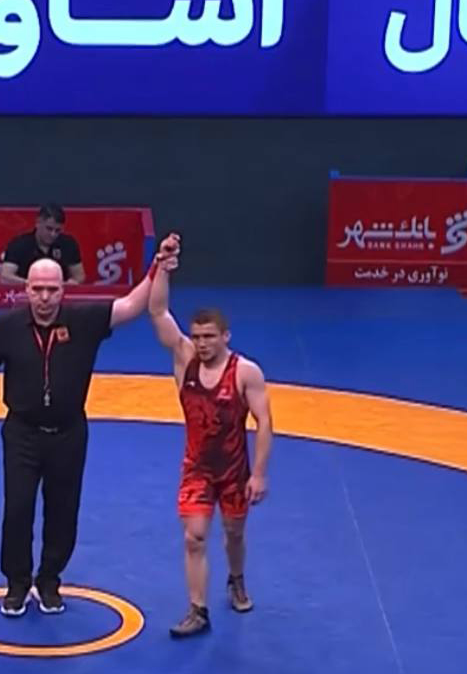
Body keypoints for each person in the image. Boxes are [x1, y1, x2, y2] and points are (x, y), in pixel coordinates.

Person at [0, 233, 180, 616]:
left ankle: (49, 580)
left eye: (52, 289)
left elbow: (132, 305)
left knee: (63, 510)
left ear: (64, 290)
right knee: (18, 508)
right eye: (37, 289)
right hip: (22, 433)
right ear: (25, 289)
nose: (44, 297)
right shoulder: (7, 326)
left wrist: (158, 265)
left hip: (69, 434)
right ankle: (16, 583)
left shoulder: (84, 320)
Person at [147, 237, 273, 638]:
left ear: (225, 336)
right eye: (197, 337)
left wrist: (259, 474)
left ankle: (236, 578)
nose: (201, 344)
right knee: (194, 537)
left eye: (209, 337)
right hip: (197, 469)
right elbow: (157, 311)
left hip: (235, 472)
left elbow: (264, 422)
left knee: (234, 533)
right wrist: (162, 266)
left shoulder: (246, 372)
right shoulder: (185, 360)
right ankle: (198, 610)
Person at [0, 203, 87, 285]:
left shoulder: (68, 244)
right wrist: (33, 285)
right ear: (38, 223)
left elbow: (79, 276)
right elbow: (5, 277)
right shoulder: (19, 244)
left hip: (59, 293)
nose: (53, 234)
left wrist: (64, 285)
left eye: (57, 230)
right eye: (49, 229)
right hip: (26, 293)